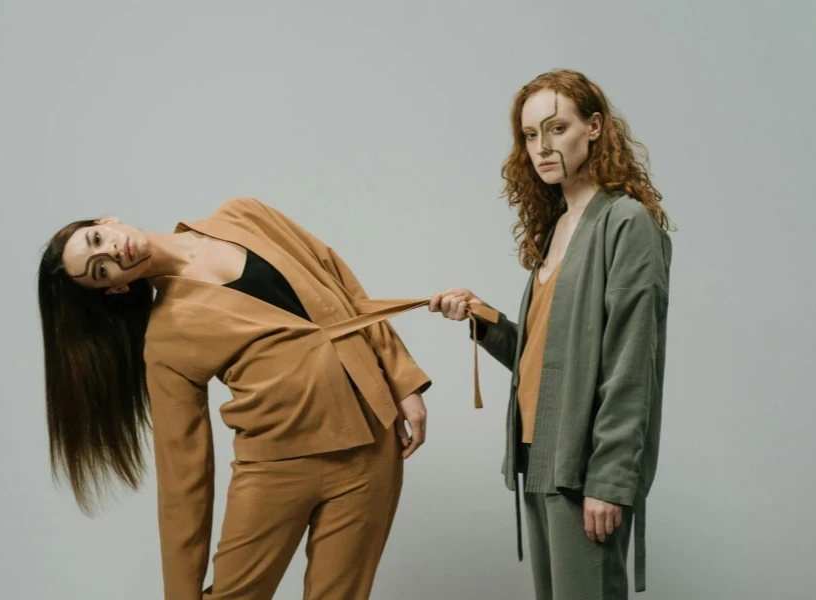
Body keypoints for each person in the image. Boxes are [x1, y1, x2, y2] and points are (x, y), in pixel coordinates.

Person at [37, 196, 434, 600]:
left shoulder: (245, 215)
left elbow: (345, 292)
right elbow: (183, 475)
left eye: (97, 239)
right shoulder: (165, 339)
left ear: (108, 221)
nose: (110, 253)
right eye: (100, 271)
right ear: (117, 286)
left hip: (371, 450)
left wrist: (404, 381)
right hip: (277, 468)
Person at [430, 69, 672, 599]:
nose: (542, 147)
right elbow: (546, 357)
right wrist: (481, 317)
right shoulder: (557, 225)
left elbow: (632, 363)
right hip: (538, 451)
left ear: (594, 127)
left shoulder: (626, 222)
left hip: (583, 464)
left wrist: (609, 480)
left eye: (556, 128)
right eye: (530, 135)